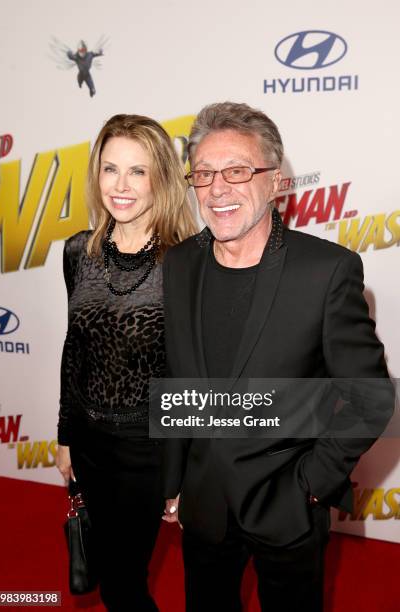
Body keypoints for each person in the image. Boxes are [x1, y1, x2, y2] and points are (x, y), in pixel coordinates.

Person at [162, 102, 393, 611]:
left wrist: (311, 485)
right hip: (201, 510)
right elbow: (177, 381)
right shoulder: (177, 266)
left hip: (286, 510)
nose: (216, 188)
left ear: (275, 181)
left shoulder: (326, 270)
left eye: (237, 171)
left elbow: (371, 397)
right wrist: (173, 482)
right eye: (202, 174)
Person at [55, 114, 196, 611]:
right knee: (113, 575)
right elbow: (76, 348)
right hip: (91, 445)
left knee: (123, 582)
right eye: (110, 168)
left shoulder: (186, 262)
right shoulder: (78, 252)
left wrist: (179, 471)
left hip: (148, 449)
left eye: (137, 171)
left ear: (160, 176)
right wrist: (66, 435)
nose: (121, 185)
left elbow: (188, 374)